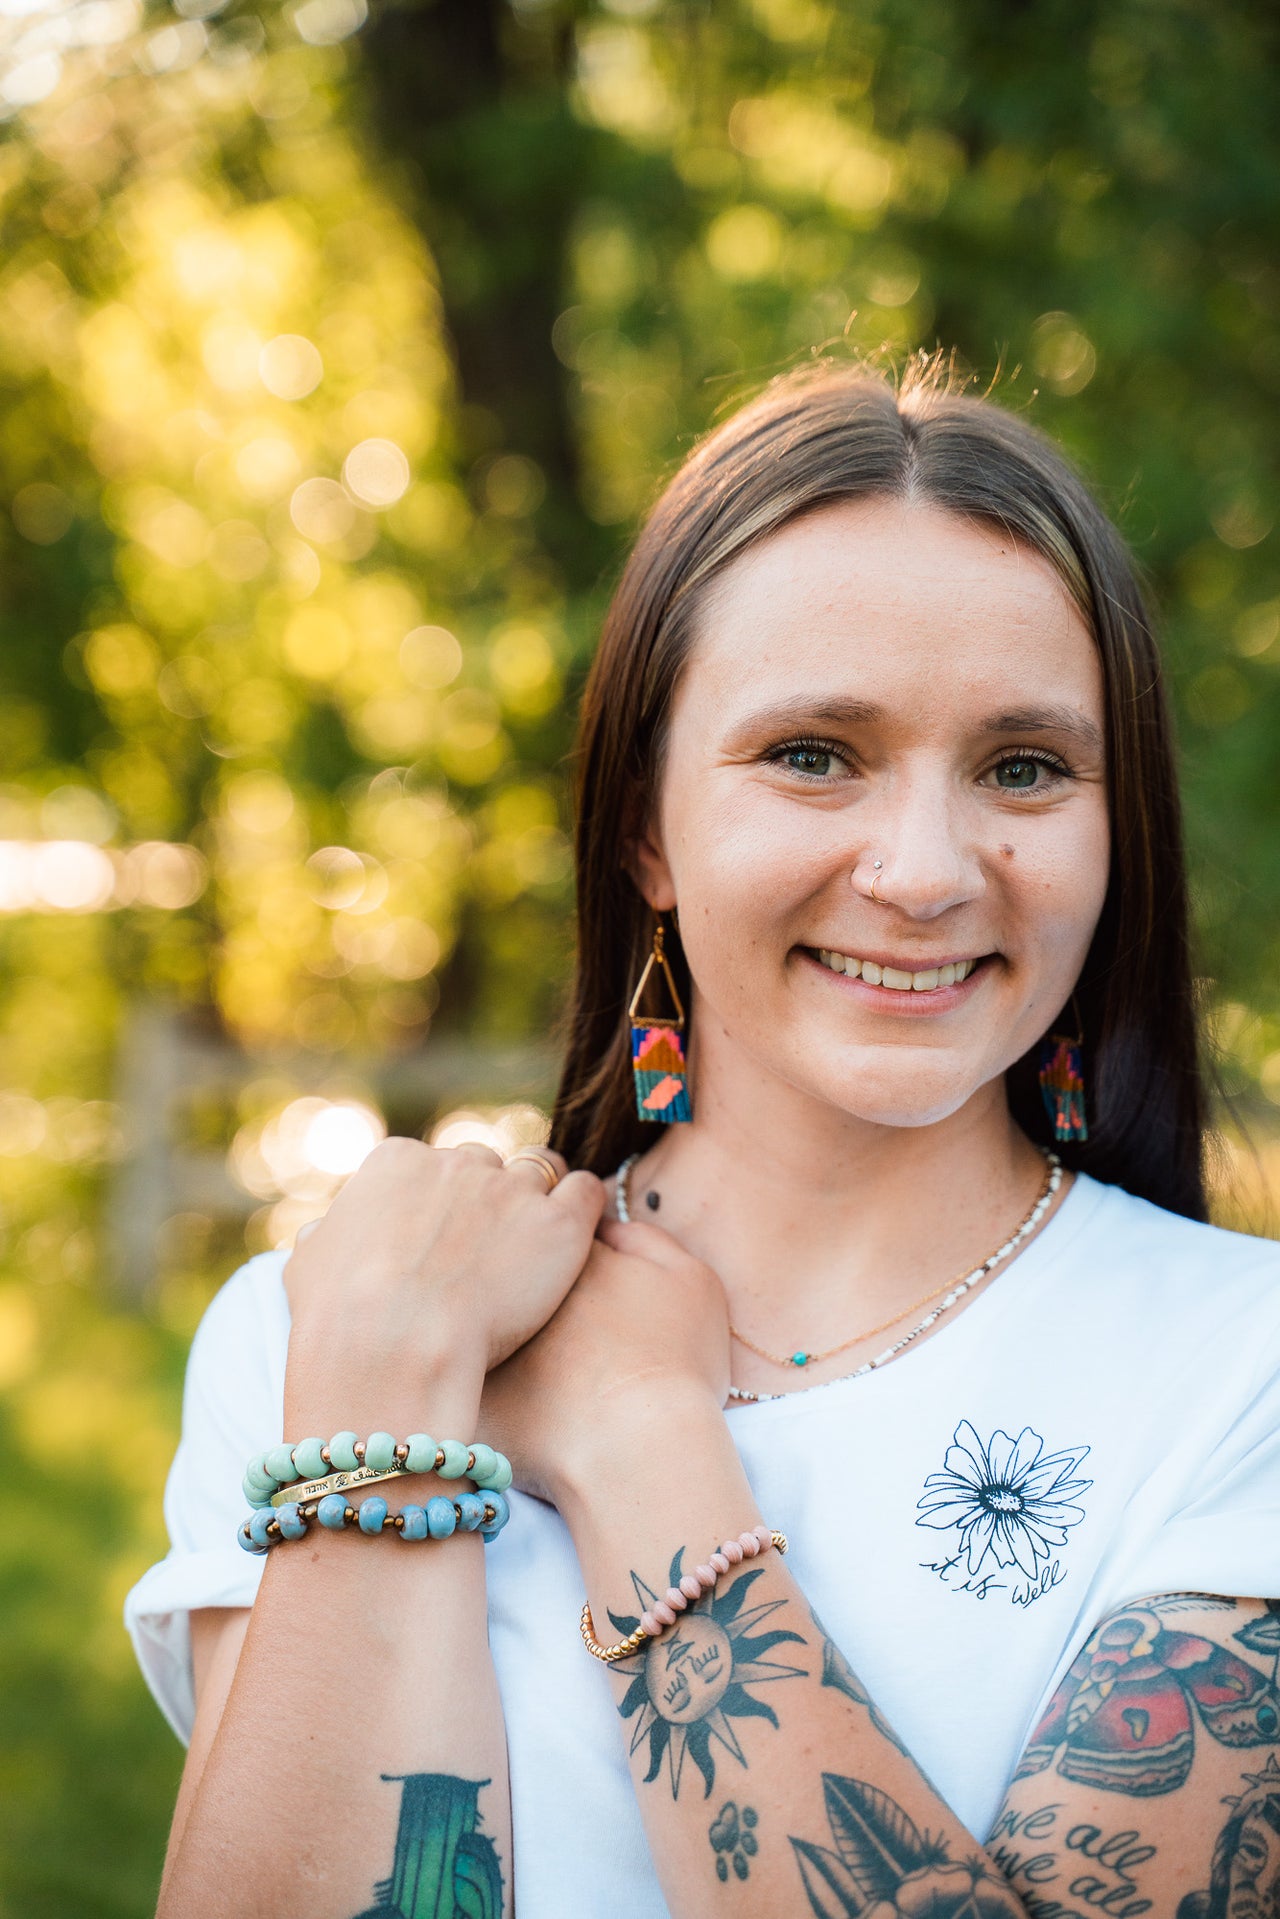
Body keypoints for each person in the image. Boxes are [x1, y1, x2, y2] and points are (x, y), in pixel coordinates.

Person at [126, 361, 1280, 1919]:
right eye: (815, 753)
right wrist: (388, 1400)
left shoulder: (1241, 1375)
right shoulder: (326, 1331)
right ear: (646, 832)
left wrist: (639, 1443)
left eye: (1025, 768)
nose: (928, 870)